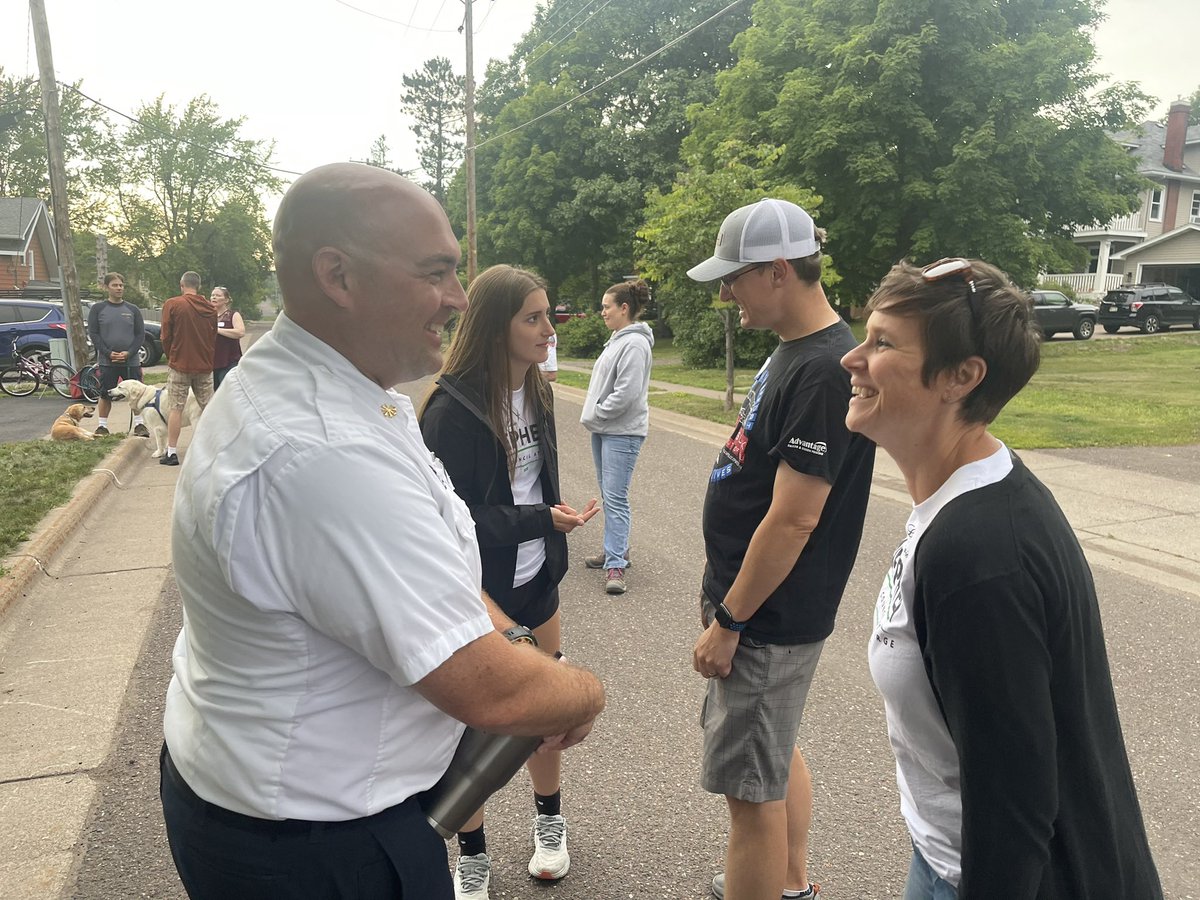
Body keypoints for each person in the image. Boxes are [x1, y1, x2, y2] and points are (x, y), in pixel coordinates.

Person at [159, 163, 606, 900]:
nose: (459, 299)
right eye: (436, 273)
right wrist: (579, 692)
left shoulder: (336, 391)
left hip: (281, 811)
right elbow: (487, 692)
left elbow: (436, 567)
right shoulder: (323, 450)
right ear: (338, 275)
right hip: (317, 848)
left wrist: (520, 644)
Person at [840, 257, 1163, 899]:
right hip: (944, 855)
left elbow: (1016, 805)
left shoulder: (979, 554)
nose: (851, 360)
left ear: (962, 377)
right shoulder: (968, 498)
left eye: (882, 344)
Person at [685, 198, 876, 900]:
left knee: (749, 801)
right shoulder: (796, 351)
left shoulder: (824, 368)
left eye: (732, 277)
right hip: (753, 604)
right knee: (771, 757)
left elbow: (796, 519)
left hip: (763, 617)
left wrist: (731, 622)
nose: (724, 292)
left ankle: (768, 877)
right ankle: (789, 884)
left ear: (776, 271)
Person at [420, 264, 598, 899]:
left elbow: (534, 482)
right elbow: (450, 522)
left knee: (542, 710)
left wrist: (553, 523)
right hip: (479, 591)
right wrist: (538, 518)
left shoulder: (538, 392)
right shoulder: (451, 411)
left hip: (536, 579)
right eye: (535, 317)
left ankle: (550, 823)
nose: (550, 329)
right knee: (473, 728)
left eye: (547, 314)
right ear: (497, 327)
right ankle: (472, 856)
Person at [579, 280, 653, 595]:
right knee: (610, 495)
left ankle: (616, 566)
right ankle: (616, 550)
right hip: (606, 429)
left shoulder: (634, 343)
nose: (603, 312)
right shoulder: (618, 339)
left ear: (624, 308)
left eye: (607, 306)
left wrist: (597, 414)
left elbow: (627, 393)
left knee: (616, 497)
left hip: (621, 432)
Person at [158, 270, 217, 465]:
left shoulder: (173, 304)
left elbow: (165, 336)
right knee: (208, 408)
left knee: (176, 408)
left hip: (180, 364)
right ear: (198, 286)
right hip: (204, 365)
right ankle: (216, 448)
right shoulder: (210, 308)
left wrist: (171, 355)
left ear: (182, 285)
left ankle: (172, 452)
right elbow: (213, 336)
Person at [87, 272, 149, 437]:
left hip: (131, 361)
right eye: (115, 285)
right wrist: (107, 353)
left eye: (121, 285)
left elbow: (140, 335)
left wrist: (128, 353)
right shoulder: (98, 309)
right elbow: (94, 334)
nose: (119, 288)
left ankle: (140, 425)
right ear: (106, 287)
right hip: (108, 361)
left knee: (136, 393)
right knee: (105, 393)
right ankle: (102, 426)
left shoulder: (133, 310)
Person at [210, 285, 245, 389]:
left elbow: (240, 332)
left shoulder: (233, 315)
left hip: (229, 361)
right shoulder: (208, 316)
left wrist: (218, 330)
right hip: (211, 363)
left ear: (226, 300)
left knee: (227, 390)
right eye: (212, 295)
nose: (214, 297)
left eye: (218, 295)